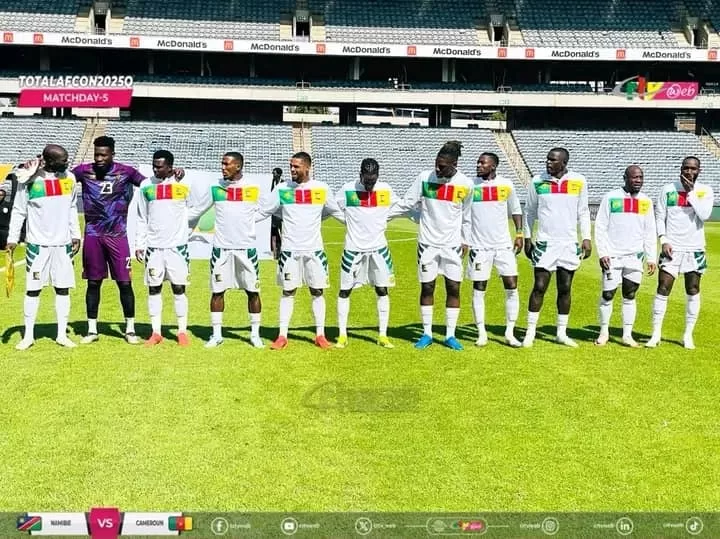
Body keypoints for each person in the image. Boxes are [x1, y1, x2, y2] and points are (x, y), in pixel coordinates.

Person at [258, 152, 344, 350]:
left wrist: (357, 223)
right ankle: (282, 335)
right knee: (288, 291)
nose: (292, 170)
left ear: (307, 167)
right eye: (291, 166)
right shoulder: (282, 189)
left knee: (317, 291)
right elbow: (264, 211)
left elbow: (335, 212)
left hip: (314, 250)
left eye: (296, 166)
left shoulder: (321, 189)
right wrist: (243, 221)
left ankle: (320, 335)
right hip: (290, 251)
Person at [399, 140, 473, 350]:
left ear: (454, 164)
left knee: (453, 288)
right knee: (427, 287)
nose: (437, 169)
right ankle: (427, 333)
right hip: (427, 244)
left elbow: (467, 215)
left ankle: (450, 335)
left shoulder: (466, 184)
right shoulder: (425, 178)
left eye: (442, 166)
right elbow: (407, 202)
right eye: (436, 164)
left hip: (452, 245)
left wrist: (465, 240)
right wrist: (382, 216)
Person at [7, 145, 81, 350]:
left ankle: (61, 335)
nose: (66, 163)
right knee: (33, 290)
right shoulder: (30, 180)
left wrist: (76, 234)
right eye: (62, 160)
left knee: (63, 289)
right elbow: (19, 210)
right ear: (48, 161)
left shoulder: (69, 178)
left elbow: (72, 207)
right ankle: (28, 336)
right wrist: (13, 238)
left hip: (63, 244)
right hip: (37, 245)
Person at [188, 152, 265, 348]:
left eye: (226, 164)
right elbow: (197, 210)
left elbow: (266, 209)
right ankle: (216, 335)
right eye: (222, 163)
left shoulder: (253, 187)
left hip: (246, 248)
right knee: (217, 291)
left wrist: (249, 223)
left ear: (238, 166)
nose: (222, 167)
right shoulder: (215, 187)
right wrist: (175, 218)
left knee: (253, 292)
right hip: (221, 249)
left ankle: (255, 334)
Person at [523, 147, 591, 348]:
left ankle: (561, 333)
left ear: (564, 163)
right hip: (545, 243)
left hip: (569, 243)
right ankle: (530, 332)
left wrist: (586, 238)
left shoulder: (579, 181)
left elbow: (583, 211)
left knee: (565, 287)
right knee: (539, 287)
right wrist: (527, 237)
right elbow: (529, 211)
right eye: (547, 159)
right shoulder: (537, 181)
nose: (548, 163)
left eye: (553, 160)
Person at [335, 158, 405, 349]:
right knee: (345, 290)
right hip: (353, 250)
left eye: (373, 180)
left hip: (379, 249)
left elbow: (401, 206)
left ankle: (382, 335)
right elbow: (332, 207)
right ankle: (342, 335)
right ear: (360, 175)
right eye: (367, 180)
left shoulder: (385, 190)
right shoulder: (347, 190)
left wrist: (385, 219)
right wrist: (347, 220)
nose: (370, 185)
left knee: (382, 289)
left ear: (377, 176)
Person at [647, 156, 714, 349]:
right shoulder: (668, 189)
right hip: (672, 247)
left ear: (699, 171)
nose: (689, 172)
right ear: (681, 169)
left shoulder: (705, 191)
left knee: (692, 289)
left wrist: (691, 192)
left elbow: (705, 215)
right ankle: (655, 334)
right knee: (663, 287)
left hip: (694, 248)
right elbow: (660, 217)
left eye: (693, 168)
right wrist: (664, 240)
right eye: (686, 168)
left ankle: (687, 335)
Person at [463, 152, 523, 347]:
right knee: (479, 288)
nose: (478, 165)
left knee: (512, 286)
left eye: (483, 163)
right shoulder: (470, 186)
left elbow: (516, 210)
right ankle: (481, 333)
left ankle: (509, 332)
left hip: (503, 245)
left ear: (493, 166)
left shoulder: (506, 185)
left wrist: (519, 233)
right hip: (479, 247)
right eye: (478, 162)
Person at [594, 165, 657, 347]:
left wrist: (651, 257)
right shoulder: (611, 197)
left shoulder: (646, 201)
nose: (638, 181)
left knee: (630, 294)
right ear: (625, 178)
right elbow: (600, 226)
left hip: (634, 256)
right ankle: (604, 332)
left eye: (641, 177)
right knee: (608, 294)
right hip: (613, 256)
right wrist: (603, 252)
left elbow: (649, 230)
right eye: (634, 177)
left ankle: (627, 335)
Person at [135, 150, 191, 347]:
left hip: (177, 247)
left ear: (170, 167)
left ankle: (182, 331)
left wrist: (184, 229)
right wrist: (140, 244)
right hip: (154, 247)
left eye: (159, 166)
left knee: (179, 288)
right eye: (154, 165)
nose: (155, 169)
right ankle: (156, 332)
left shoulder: (183, 185)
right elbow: (142, 216)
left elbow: (194, 208)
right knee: (154, 288)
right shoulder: (146, 185)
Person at [270, 167, 283, 259]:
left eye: (274, 173)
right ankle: (275, 254)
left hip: (282, 213)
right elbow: (271, 194)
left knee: (283, 232)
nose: (273, 175)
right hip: (274, 212)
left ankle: (282, 250)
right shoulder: (272, 183)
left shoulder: (283, 183)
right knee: (273, 232)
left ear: (278, 174)